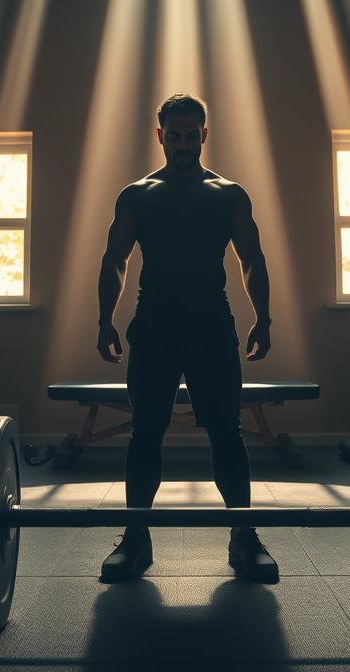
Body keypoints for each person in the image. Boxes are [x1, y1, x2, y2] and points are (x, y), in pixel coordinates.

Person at [95, 93, 278, 584]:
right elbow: (115, 260)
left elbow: (251, 259)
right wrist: (104, 320)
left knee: (227, 433)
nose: (181, 144)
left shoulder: (228, 194)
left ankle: (244, 538)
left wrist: (263, 317)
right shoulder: (138, 195)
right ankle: (136, 539)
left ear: (204, 134)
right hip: (154, 325)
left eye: (190, 135)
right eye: (172, 136)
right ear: (160, 137)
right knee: (146, 433)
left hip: (210, 326)